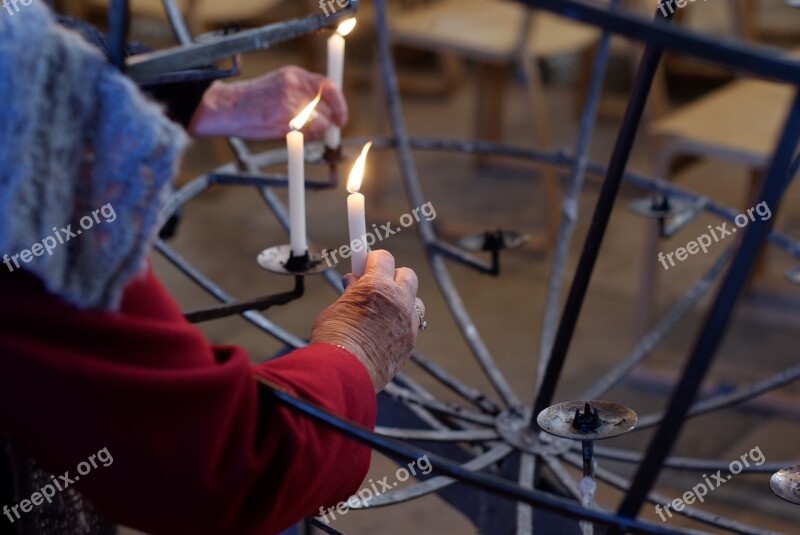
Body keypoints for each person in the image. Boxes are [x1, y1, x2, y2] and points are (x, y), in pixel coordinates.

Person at [0, 3, 424, 534]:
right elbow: (224, 463)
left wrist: (197, 98)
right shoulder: (31, 197)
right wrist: (355, 354)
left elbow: (27, 30)